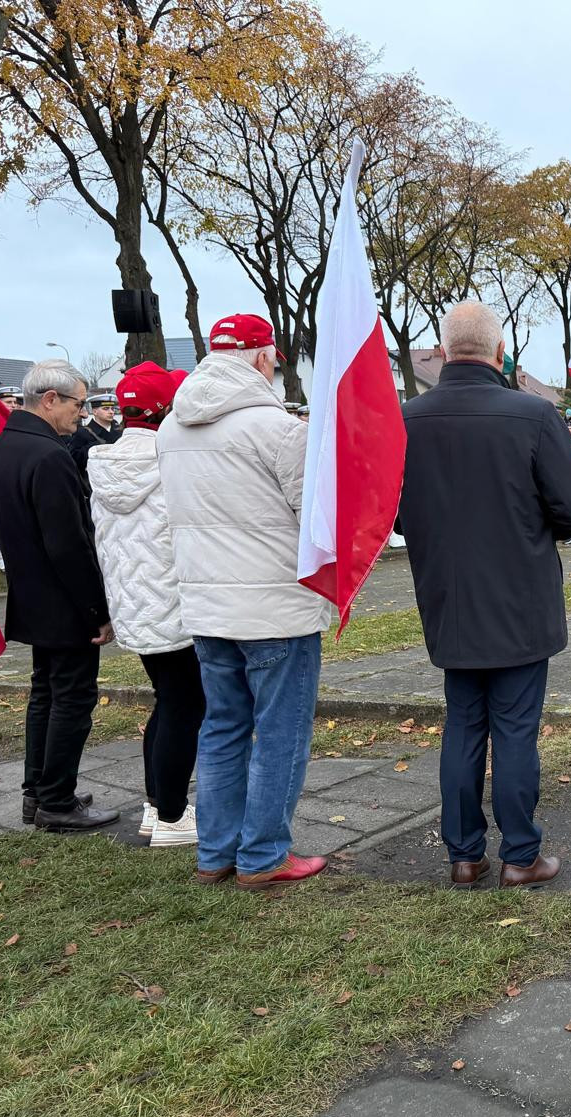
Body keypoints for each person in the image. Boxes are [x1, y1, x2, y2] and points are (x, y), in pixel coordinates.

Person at [399, 300, 571, 888]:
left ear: (441, 349)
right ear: (500, 352)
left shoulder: (407, 419)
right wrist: (530, 531)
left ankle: (463, 853)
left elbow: (398, 510)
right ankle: (520, 854)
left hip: (449, 596)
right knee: (513, 728)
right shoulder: (531, 416)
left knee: (463, 723)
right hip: (518, 596)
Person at [157, 314, 329, 890]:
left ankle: (216, 852)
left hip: (207, 603)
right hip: (274, 605)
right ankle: (263, 854)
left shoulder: (171, 429)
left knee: (222, 727)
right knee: (280, 730)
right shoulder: (279, 429)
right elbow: (315, 522)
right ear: (263, 358)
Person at [0, 360, 118, 831]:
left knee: (45, 695)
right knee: (73, 699)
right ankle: (57, 800)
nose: (82, 414)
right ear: (50, 399)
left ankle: (37, 792)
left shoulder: (1, 447)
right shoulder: (50, 456)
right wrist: (97, 610)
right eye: (79, 404)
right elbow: (69, 543)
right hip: (64, 600)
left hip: (30, 590)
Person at [87, 361, 203, 848]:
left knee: (169, 702)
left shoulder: (103, 463)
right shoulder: (170, 460)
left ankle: (159, 805)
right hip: (173, 601)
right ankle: (173, 815)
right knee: (185, 706)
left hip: (134, 601)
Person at [69, 393, 121, 490]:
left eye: (112, 409)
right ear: (95, 411)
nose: (111, 412)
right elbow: (74, 460)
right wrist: (92, 447)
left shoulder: (119, 431)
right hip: (96, 484)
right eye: (106, 409)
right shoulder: (83, 433)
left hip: (118, 480)